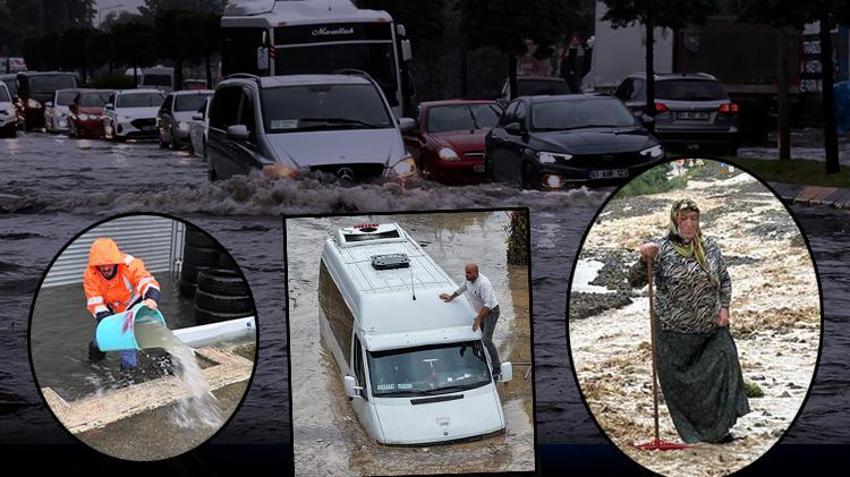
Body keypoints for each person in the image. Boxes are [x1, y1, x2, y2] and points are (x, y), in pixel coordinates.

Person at [628, 199, 750, 444]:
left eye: (694, 218)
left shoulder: (710, 247)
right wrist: (644, 260)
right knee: (685, 388)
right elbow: (634, 282)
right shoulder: (660, 251)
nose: (689, 224)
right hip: (674, 332)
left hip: (711, 328)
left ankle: (718, 430)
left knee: (725, 368)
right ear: (675, 221)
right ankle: (694, 434)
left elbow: (724, 280)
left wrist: (724, 307)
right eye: (684, 219)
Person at [84, 238, 161, 369]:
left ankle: (128, 379)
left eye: (110, 264)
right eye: (101, 264)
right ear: (95, 264)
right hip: (109, 311)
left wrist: (151, 298)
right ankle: (94, 365)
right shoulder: (90, 274)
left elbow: (146, 281)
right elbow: (95, 302)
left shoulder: (130, 265)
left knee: (128, 352)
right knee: (98, 341)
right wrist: (109, 322)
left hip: (133, 309)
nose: (106, 268)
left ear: (116, 261)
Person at [439, 262, 502, 378]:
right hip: (482, 312)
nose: (466, 275)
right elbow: (462, 289)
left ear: (476, 273)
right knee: (482, 336)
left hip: (491, 312)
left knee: (486, 339)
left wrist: (478, 319)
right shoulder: (468, 280)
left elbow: (488, 304)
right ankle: (486, 357)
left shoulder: (484, 284)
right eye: (466, 272)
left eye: (469, 273)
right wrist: (450, 297)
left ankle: (497, 368)